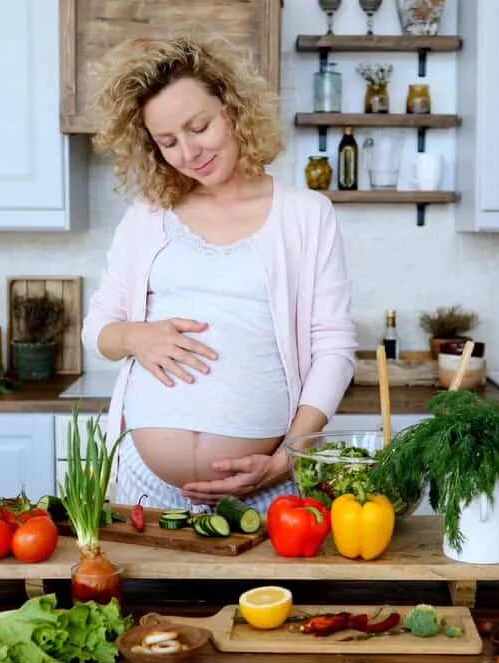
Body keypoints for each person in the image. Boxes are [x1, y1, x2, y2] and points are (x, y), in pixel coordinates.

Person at [82, 34, 357, 513]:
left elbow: (333, 347)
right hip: (145, 485)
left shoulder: (305, 214)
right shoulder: (147, 215)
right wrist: (135, 337)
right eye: (168, 142)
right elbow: (97, 331)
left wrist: (288, 459)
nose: (189, 152)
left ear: (232, 109)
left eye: (199, 127)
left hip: (265, 485)